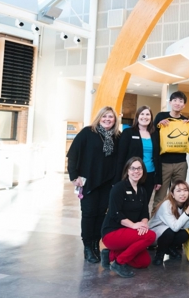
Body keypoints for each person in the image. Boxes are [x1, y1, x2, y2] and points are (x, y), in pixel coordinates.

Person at [67, 106, 121, 264]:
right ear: (99, 117)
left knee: (101, 214)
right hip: (88, 181)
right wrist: (73, 176)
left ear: (115, 120)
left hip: (108, 182)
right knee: (89, 214)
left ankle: (96, 244)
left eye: (110, 117)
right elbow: (73, 154)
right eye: (104, 116)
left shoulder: (117, 136)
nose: (107, 119)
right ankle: (87, 247)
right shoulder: (87, 132)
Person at [100, 157, 156, 278]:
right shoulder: (118, 188)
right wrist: (134, 225)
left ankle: (110, 254)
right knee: (151, 236)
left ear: (143, 171)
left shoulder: (142, 190)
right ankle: (119, 263)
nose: (136, 171)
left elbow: (144, 213)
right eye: (133, 168)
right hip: (112, 233)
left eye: (139, 168)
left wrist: (144, 224)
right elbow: (115, 213)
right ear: (127, 171)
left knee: (144, 262)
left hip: (129, 232)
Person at [153, 91, 189, 208]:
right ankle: (155, 217)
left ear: (184, 105)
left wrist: (188, 128)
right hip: (164, 162)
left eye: (181, 101)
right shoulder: (161, 116)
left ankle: (177, 217)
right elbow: (152, 135)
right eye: (175, 100)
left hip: (181, 162)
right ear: (170, 102)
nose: (177, 103)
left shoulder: (185, 121)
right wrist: (158, 125)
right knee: (160, 195)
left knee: (180, 194)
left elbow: (187, 141)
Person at [117, 105, 161, 205]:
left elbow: (158, 157)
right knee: (130, 203)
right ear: (137, 116)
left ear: (151, 117)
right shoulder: (128, 132)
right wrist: (118, 178)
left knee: (145, 203)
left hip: (150, 174)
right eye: (142, 114)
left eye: (147, 114)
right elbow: (121, 157)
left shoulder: (155, 134)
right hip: (133, 174)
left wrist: (158, 179)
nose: (145, 117)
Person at [148, 180, 189, 266]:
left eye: (185, 190)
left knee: (185, 234)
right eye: (178, 191)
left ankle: (170, 248)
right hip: (154, 234)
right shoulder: (167, 204)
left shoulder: (185, 205)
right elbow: (175, 227)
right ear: (172, 194)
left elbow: (185, 226)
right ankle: (159, 254)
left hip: (168, 232)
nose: (182, 194)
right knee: (170, 231)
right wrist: (187, 213)